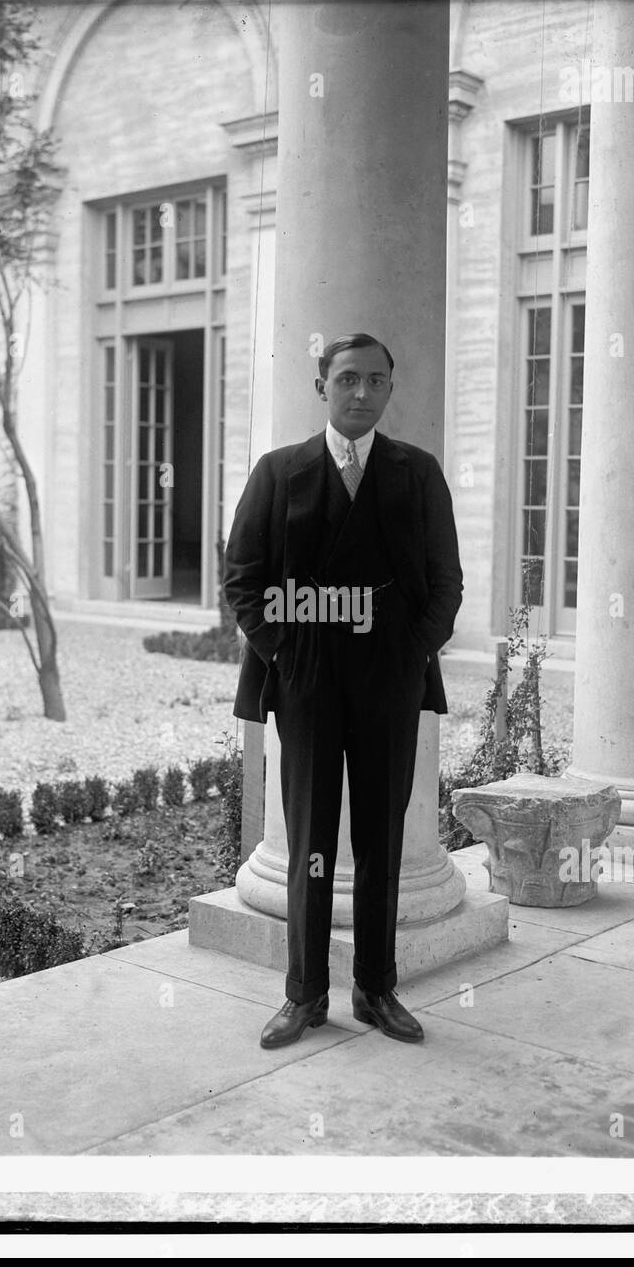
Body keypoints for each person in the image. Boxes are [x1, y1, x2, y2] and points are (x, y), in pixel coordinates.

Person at [223, 333, 463, 1049]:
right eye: (348, 379)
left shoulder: (417, 473)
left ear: (390, 389)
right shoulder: (279, 472)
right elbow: (242, 577)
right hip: (307, 681)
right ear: (320, 385)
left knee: (382, 838)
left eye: (376, 381)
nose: (362, 392)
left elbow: (446, 581)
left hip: (389, 680)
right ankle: (304, 995)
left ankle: (375, 988)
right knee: (309, 840)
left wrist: (411, 653)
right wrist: (285, 651)